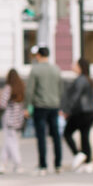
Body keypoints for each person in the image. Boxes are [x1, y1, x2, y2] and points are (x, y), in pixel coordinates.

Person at [27, 45, 63, 175]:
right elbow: (60, 88)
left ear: (38, 56)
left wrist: (27, 106)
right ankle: (58, 164)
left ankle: (43, 165)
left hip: (40, 107)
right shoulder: (56, 69)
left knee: (41, 137)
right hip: (54, 106)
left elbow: (30, 90)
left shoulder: (35, 70)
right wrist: (58, 103)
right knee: (56, 136)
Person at [62, 57, 93, 172]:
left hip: (81, 112)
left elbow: (75, 97)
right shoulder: (87, 79)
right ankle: (87, 164)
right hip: (90, 112)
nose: (72, 66)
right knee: (84, 136)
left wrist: (67, 111)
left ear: (80, 67)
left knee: (67, 133)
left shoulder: (80, 80)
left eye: (75, 65)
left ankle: (79, 155)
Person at [0, 69, 27, 174]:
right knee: (9, 141)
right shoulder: (21, 87)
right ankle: (2, 163)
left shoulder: (8, 88)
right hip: (18, 118)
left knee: (11, 142)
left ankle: (18, 163)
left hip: (9, 118)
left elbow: (2, 104)